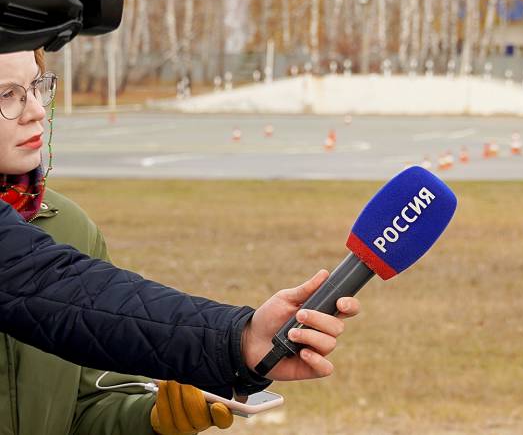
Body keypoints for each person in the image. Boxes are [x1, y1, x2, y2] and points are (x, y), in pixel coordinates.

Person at [0, 48, 339, 433]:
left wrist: (152, 421)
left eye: (35, 86)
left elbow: (87, 403)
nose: (36, 110)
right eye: (7, 95)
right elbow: (45, 284)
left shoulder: (70, 229)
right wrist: (232, 342)